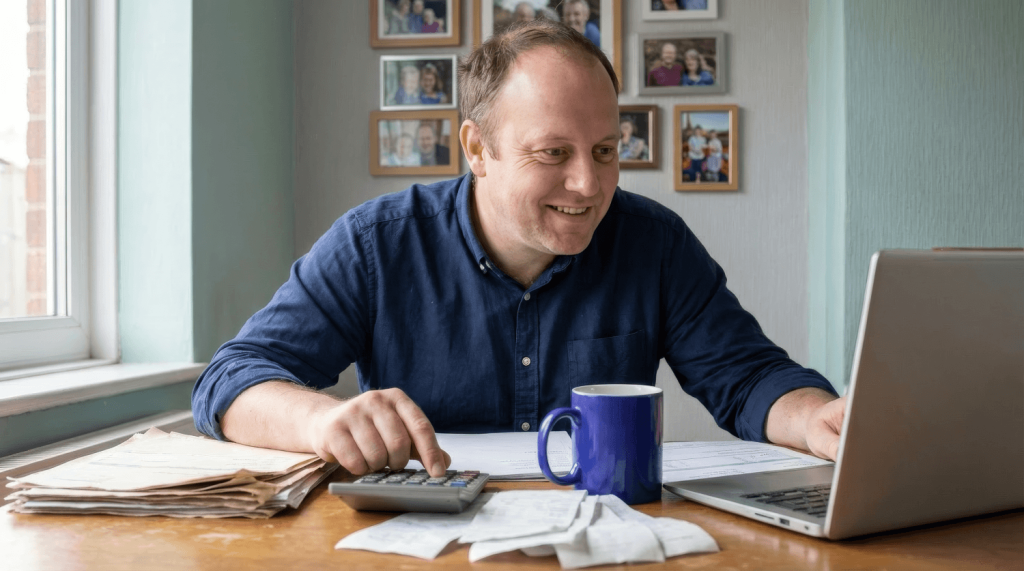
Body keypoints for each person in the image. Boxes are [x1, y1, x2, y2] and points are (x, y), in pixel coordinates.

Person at [192, 19, 845, 481]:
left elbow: (749, 376)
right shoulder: (375, 244)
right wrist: (319, 421)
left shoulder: (655, 242)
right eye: (553, 154)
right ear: (477, 149)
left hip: (607, 541)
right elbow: (230, 382)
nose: (589, 185)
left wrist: (819, 418)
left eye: (606, 151)